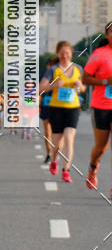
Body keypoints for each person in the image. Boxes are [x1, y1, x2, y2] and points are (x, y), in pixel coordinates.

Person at [39, 41, 85, 183]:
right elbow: (41, 88)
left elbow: (83, 89)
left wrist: (80, 86)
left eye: (67, 53)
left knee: (69, 138)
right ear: (58, 54)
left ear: (71, 53)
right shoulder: (53, 69)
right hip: (56, 108)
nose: (65, 56)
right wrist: (53, 85)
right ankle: (54, 160)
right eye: (62, 53)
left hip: (73, 108)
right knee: (57, 143)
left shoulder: (78, 69)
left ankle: (66, 170)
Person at [82, 22, 112, 195]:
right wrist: (105, 81)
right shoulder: (99, 54)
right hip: (101, 105)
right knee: (101, 148)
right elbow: (86, 79)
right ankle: (93, 168)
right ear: (107, 35)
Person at [39, 57, 56, 164]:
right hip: (46, 106)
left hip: (58, 106)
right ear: (47, 66)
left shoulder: (60, 77)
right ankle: (49, 153)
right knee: (48, 132)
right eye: (51, 65)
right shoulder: (43, 78)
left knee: (57, 132)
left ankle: (55, 153)